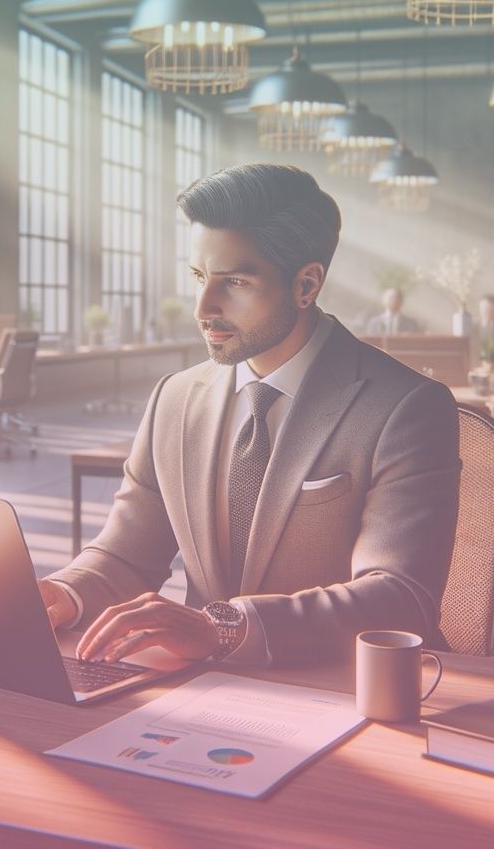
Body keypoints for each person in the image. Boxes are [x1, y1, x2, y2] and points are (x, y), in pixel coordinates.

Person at [39, 164, 461, 666]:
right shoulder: (174, 398)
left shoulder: (405, 408)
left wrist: (224, 628)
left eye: (233, 281)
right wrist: (65, 594)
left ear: (306, 285)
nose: (204, 307)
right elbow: (126, 554)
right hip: (198, 691)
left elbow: (399, 597)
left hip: (346, 691)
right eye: (199, 277)